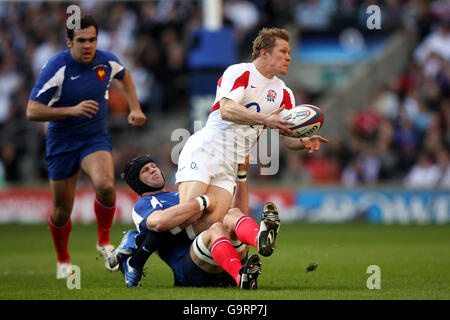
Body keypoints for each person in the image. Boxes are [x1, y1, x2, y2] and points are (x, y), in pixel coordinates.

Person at [26, 15, 147, 279]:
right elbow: (32, 110)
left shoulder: (106, 60)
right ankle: (63, 260)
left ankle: (103, 242)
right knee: (61, 211)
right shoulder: (57, 66)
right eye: (81, 40)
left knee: (106, 185)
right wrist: (72, 110)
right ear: (69, 42)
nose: (88, 45)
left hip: (94, 138)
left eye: (92, 39)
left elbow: (124, 76)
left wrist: (135, 108)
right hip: (61, 144)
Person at [175, 27, 328, 234]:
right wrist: (266, 119)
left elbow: (287, 138)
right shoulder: (240, 72)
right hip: (207, 149)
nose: (289, 57)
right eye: (283, 52)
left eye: (289, 52)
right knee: (187, 217)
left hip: (232, 162)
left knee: (207, 227)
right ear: (264, 53)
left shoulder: (284, 94)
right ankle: (141, 238)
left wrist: (302, 140)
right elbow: (227, 110)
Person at [111, 155, 279, 289]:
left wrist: (241, 176)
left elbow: (239, 213)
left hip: (223, 261)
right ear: (137, 182)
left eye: (154, 166)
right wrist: (202, 202)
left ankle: (259, 241)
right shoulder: (144, 205)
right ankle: (239, 274)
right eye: (146, 170)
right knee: (216, 228)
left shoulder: (180, 195)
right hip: (190, 269)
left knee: (232, 213)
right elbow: (160, 222)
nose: (153, 170)